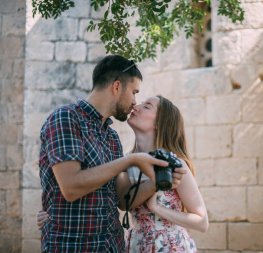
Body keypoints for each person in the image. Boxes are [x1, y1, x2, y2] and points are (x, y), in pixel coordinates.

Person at [38, 55, 185, 253]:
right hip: (71, 246)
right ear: (116, 87)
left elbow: (123, 200)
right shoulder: (66, 118)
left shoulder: (112, 137)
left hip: (112, 247)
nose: (135, 102)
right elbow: (70, 187)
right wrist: (130, 160)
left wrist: (156, 183)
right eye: (134, 92)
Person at [116, 95, 209, 252]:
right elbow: (123, 204)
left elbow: (202, 222)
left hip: (170, 247)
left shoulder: (174, 165)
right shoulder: (127, 162)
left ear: (159, 123)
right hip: (137, 246)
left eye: (146, 106)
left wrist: (157, 208)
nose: (136, 107)